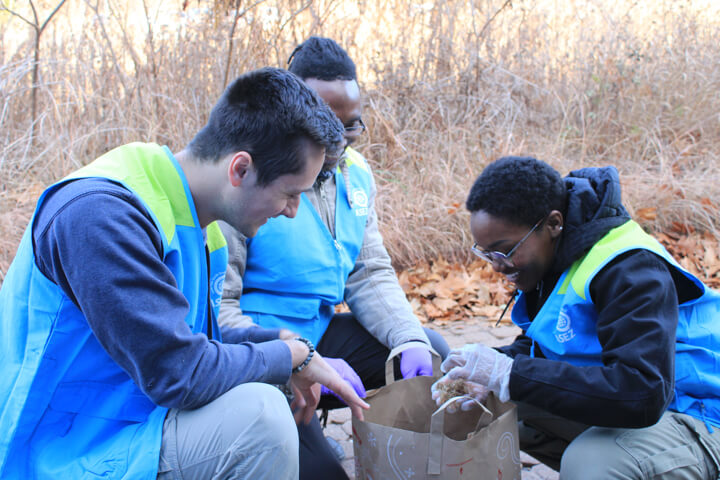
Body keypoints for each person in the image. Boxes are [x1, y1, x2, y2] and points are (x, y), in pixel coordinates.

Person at [0, 67, 370, 480]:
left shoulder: (200, 225)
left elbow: (195, 339)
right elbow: (180, 373)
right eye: (290, 194)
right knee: (258, 420)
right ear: (241, 169)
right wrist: (289, 358)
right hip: (60, 450)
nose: (292, 212)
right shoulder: (100, 215)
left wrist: (284, 343)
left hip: (133, 422)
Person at [218, 37, 449, 478]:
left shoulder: (356, 174)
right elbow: (218, 313)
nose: (340, 141)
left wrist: (407, 337)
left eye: (352, 126)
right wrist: (296, 357)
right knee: (324, 471)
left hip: (320, 335)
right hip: (261, 355)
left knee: (427, 350)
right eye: (325, 124)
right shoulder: (247, 179)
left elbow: (368, 270)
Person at [432, 156, 720, 478]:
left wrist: (509, 374)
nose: (496, 266)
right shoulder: (557, 254)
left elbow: (643, 393)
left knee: (592, 462)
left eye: (505, 251)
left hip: (699, 412)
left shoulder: (630, 268)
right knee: (496, 405)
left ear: (554, 224)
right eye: (486, 253)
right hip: (648, 403)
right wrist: (489, 368)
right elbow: (549, 344)